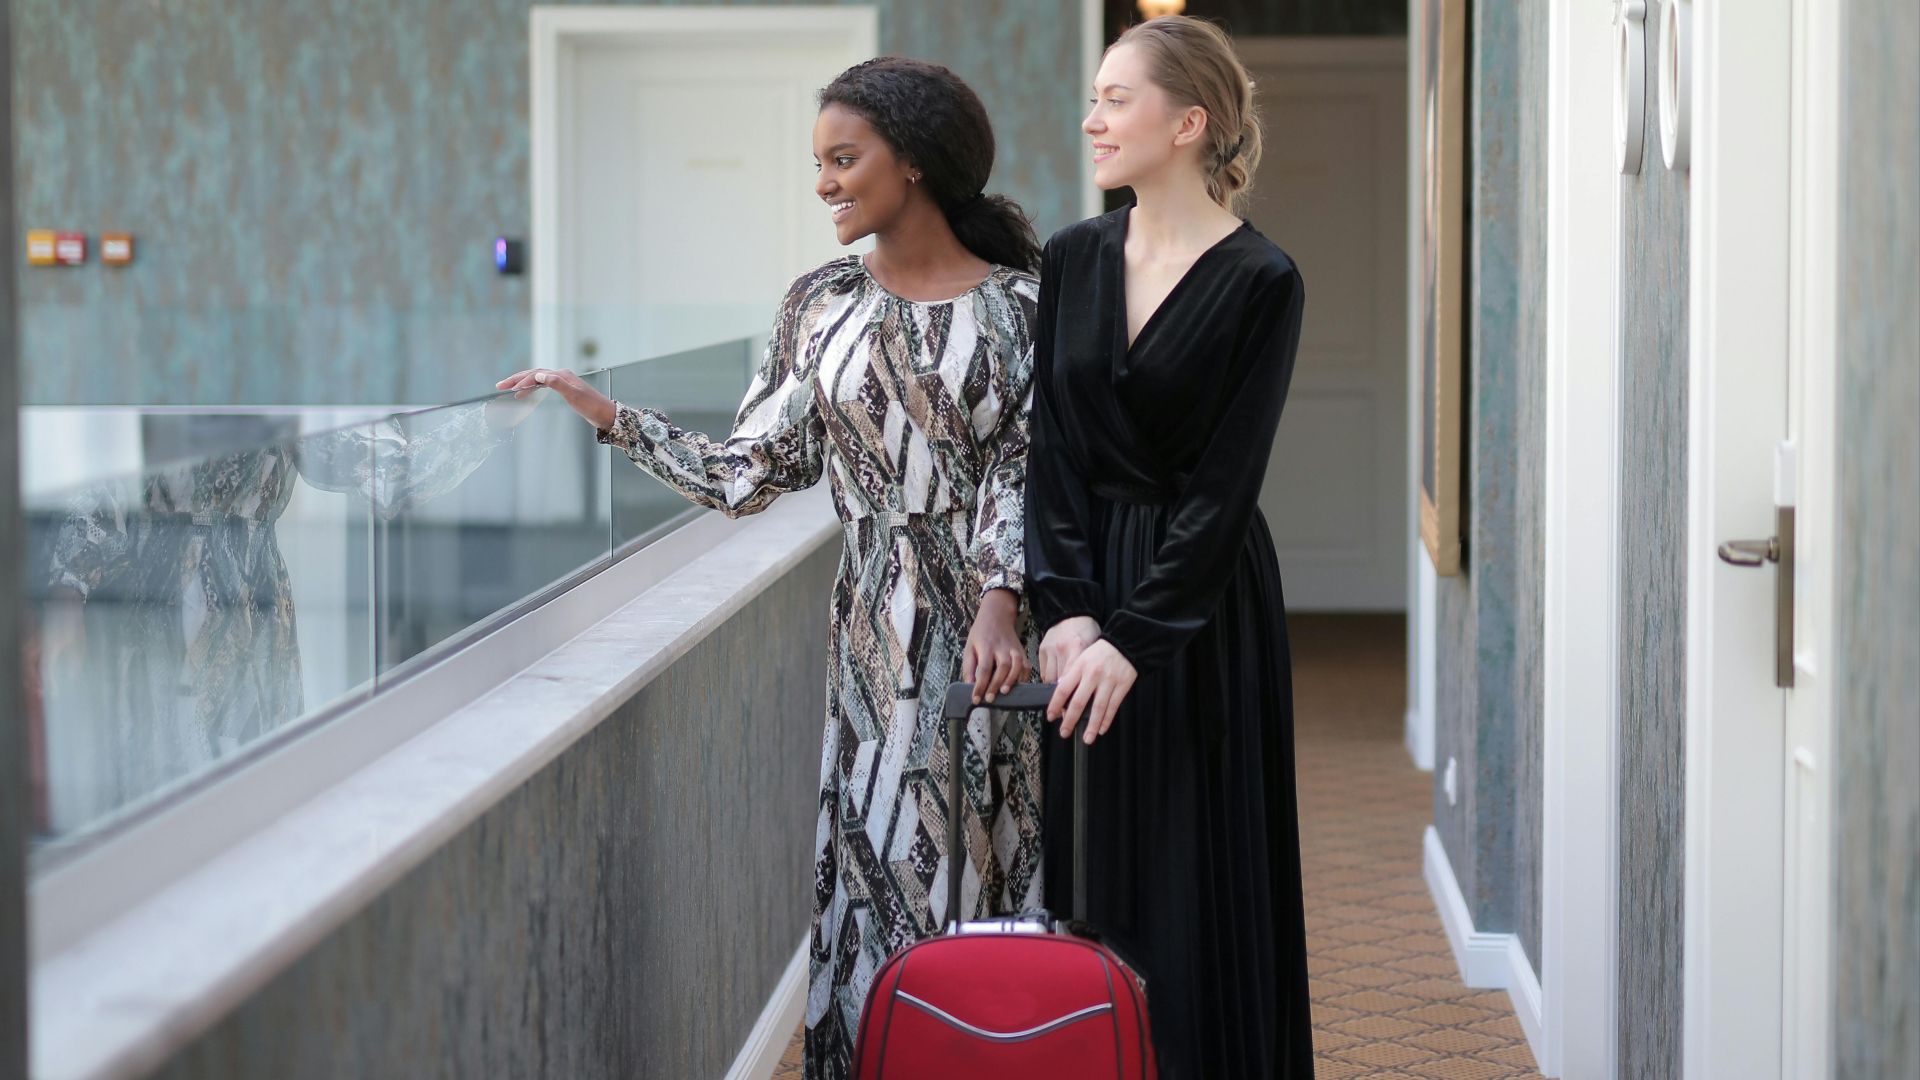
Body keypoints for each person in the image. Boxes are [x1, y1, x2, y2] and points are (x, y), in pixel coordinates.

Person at [495, 58, 1045, 1080]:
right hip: (869, 629)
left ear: (915, 163)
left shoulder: (1022, 310)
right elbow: (753, 471)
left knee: (974, 863)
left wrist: (1003, 605)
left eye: (845, 158)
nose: (827, 182)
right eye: (820, 163)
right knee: (876, 860)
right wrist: (609, 415)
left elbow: (1023, 472)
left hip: (987, 637)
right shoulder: (819, 304)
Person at [1024, 16, 1313, 1078]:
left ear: (1188, 122)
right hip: (1088, 595)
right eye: (1094, 97)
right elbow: (1051, 453)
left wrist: (1136, 638)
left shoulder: (1261, 279)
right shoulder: (1072, 257)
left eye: (1116, 98)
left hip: (1200, 610)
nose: (1093, 117)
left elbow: (1226, 489)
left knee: (1202, 869)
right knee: (1095, 868)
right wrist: (1071, 611)